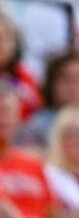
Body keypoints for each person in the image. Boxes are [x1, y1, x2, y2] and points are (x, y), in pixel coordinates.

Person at [0, 83, 58, 218]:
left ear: (19, 118)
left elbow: (54, 213)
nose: (3, 118)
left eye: (8, 112)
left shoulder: (34, 166)